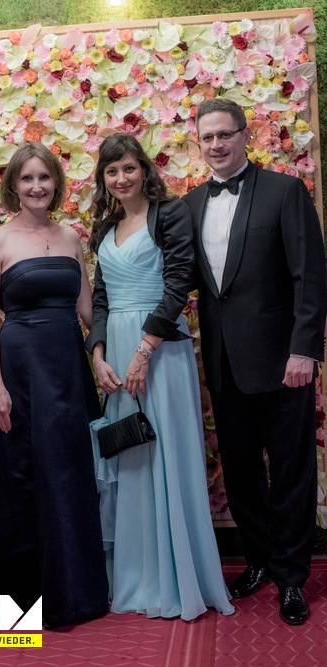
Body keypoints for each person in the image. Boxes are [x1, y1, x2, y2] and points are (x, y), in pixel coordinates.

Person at [183, 98, 326, 625]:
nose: (216, 144)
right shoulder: (190, 204)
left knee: (290, 470)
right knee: (241, 473)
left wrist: (304, 348)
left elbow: (309, 275)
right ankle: (260, 559)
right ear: (198, 144)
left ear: (246, 135)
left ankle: (292, 577)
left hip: (283, 360)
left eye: (225, 134)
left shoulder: (285, 191)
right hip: (224, 363)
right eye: (207, 137)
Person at [86, 132, 234, 621]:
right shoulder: (105, 224)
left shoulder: (169, 214)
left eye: (129, 167)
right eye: (112, 171)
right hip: (116, 353)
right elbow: (101, 298)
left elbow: (178, 284)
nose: (121, 178)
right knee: (130, 455)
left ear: (144, 169)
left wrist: (144, 350)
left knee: (165, 451)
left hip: (160, 350)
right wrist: (98, 354)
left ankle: (175, 578)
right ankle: (135, 575)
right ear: (103, 178)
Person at [0, 142, 109, 629]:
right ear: (14, 185)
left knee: (70, 472)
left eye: (44, 177)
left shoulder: (71, 237)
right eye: (27, 178)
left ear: (57, 182)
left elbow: (87, 311)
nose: (37, 186)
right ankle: (26, 597)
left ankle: (77, 590)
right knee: (24, 475)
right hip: (20, 369)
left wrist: (108, 351)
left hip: (67, 369)